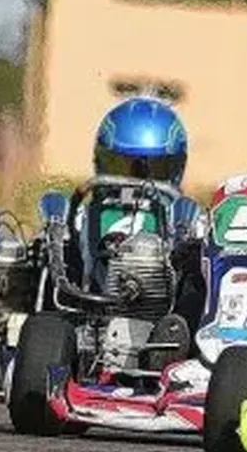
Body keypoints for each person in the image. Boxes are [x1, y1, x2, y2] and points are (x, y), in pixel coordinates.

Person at [63, 95, 206, 331]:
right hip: (88, 314)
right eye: (120, 166)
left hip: (165, 324)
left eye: (152, 169)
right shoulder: (80, 218)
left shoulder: (190, 222)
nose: (135, 181)